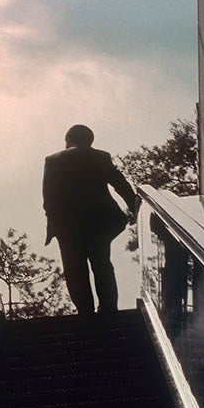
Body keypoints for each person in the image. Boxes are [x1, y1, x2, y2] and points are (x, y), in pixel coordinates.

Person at [43, 124, 138, 315]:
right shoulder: (100, 157)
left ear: (68, 140)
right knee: (102, 262)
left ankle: (85, 311)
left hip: (68, 225)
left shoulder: (53, 160)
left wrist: (53, 223)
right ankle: (109, 308)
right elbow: (120, 183)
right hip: (100, 222)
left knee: (74, 268)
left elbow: (49, 197)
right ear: (90, 141)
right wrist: (134, 207)